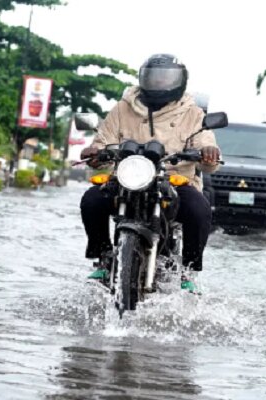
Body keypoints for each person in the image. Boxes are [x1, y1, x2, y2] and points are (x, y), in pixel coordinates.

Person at [79, 54, 221, 291]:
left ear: (180, 81)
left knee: (199, 209)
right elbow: (103, 140)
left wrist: (208, 151)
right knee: (92, 200)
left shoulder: (193, 112)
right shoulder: (123, 108)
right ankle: (103, 257)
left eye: (166, 79)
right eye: (155, 78)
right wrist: (96, 152)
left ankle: (188, 270)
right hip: (127, 178)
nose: (159, 84)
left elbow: (205, 142)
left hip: (174, 179)